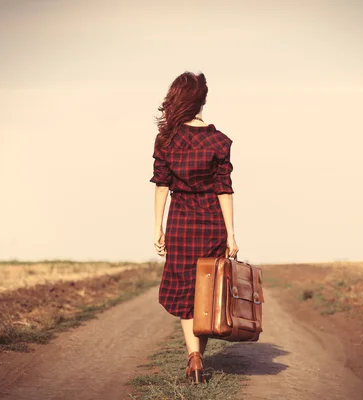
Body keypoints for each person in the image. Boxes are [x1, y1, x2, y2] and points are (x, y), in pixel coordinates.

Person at [150, 71, 239, 383]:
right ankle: (198, 356)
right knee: (207, 291)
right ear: (203, 101)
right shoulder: (219, 141)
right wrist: (230, 233)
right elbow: (224, 189)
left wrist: (158, 227)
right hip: (212, 222)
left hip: (180, 222)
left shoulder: (167, 140)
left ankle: (194, 358)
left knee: (186, 290)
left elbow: (161, 186)